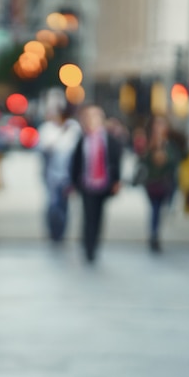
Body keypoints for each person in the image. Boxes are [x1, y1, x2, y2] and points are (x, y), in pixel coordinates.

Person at [70, 105, 122, 263]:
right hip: (87, 184)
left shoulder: (110, 140)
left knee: (99, 216)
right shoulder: (83, 139)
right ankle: (88, 246)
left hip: (104, 184)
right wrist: (74, 183)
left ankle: (95, 244)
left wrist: (116, 181)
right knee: (88, 215)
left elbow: (115, 160)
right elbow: (76, 163)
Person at [138, 115, 183, 253]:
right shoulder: (148, 143)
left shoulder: (171, 144)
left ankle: (155, 232)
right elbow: (143, 162)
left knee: (160, 209)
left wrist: (165, 157)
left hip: (165, 183)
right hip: (152, 182)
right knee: (155, 209)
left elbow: (176, 161)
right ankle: (154, 234)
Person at [37, 102, 81, 243]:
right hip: (51, 174)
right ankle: (53, 231)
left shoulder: (74, 129)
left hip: (67, 175)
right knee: (52, 204)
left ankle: (61, 232)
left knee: (64, 204)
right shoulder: (47, 129)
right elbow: (44, 148)